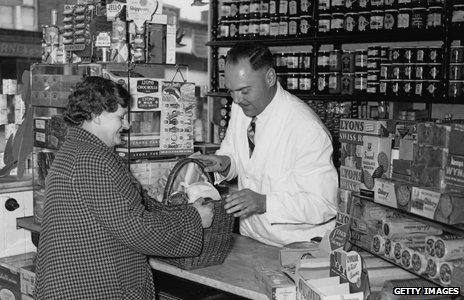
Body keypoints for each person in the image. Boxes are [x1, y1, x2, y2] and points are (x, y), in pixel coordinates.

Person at [35, 76, 214, 299]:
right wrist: (194, 219)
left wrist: (182, 211)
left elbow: (127, 211)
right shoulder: (92, 159)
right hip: (92, 289)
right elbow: (135, 228)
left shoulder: (76, 150)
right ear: (97, 116)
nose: (126, 125)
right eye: (121, 117)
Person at [198, 44, 338, 247]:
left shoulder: (307, 129)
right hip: (252, 238)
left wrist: (264, 203)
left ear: (270, 78)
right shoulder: (242, 108)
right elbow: (239, 156)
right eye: (231, 91)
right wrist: (225, 163)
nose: (236, 99)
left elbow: (324, 204)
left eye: (244, 90)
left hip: (298, 247)